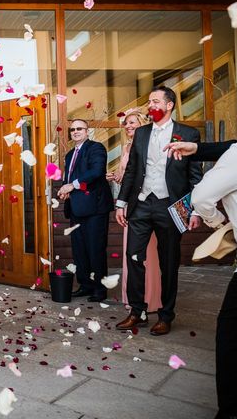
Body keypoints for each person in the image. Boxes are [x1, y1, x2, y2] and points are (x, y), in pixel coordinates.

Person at [166, 105, 237, 419]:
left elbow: (200, 198)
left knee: (232, 336)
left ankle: (231, 411)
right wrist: (196, 148)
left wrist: (216, 223)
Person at [115, 86, 202, 336]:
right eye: (149, 101)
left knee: (169, 262)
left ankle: (166, 315)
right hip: (141, 204)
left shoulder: (187, 134)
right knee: (133, 257)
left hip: (170, 206)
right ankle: (137, 311)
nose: (150, 105)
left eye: (155, 101)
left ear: (169, 105)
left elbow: (195, 176)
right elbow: (132, 171)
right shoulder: (141, 134)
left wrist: (194, 210)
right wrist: (121, 203)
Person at [107, 110, 162, 312]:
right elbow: (128, 176)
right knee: (131, 251)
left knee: (148, 252)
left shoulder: (150, 145)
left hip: (147, 204)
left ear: (142, 124)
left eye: (132, 122)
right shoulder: (127, 146)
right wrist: (115, 176)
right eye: (126, 123)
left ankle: (151, 298)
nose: (128, 126)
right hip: (129, 203)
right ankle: (133, 297)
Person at [58, 119, 114, 302]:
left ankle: (99, 289)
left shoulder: (96, 148)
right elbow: (69, 178)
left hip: (95, 208)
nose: (75, 132)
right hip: (76, 208)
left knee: (95, 248)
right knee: (79, 249)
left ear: (87, 131)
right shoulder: (68, 155)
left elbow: (96, 172)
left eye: (79, 128)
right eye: (72, 129)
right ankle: (85, 285)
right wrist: (66, 191)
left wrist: (72, 186)